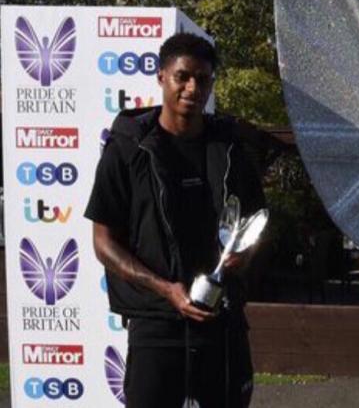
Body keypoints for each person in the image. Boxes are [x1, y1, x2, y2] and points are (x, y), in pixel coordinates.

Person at [85, 33, 266, 408]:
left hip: (223, 324)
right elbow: (103, 242)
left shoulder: (232, 149)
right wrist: (166, 289)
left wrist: (244, 256)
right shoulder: (127, 149)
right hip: (157, 326)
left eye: (203, 78)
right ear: (161, 76)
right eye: (182, 76)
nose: (192, 87)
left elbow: (255, 225)